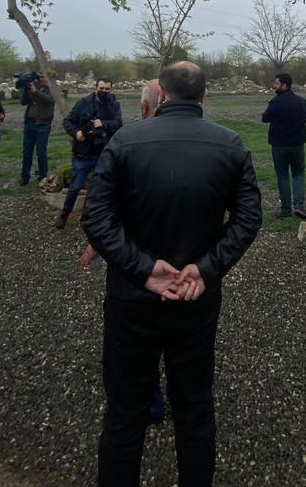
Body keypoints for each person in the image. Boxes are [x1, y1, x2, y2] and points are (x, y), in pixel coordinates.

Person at [83, 61, 262, 487]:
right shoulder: (230, 143)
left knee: (125, 411)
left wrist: (143, 269)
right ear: (204, 96)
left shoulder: (126, 139)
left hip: (133, 298)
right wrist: (204, 268)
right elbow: (248, 220)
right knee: (194, 406)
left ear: (161, 94)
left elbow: (96, 218)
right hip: (193, 297)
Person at [77, 78, 166, 426]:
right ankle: (160, 401)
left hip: (136, 271)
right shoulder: (211, 143)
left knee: (132, 346)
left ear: (145, 106)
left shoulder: (125, 144)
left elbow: (102, 211)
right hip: (186, 271)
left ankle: (144, 403)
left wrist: (101, 243)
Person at [60, 77, 122, 230]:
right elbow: (67, 121)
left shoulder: (114, 104)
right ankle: (64, 215)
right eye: (101, 88)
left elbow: (119, 123)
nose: (104, 91)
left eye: (107, 89)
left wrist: (104, 124)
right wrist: (76, 134)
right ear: (95, 88)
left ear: (111, 89)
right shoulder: (83, 103)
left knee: (104, 187)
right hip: (83, 153)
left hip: (103, 152)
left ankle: (99, 216)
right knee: (75, 187)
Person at [261, 72, 306, 220]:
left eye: (276, 84)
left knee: (282, 176)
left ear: (284, 85)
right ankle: (299, 205)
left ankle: (286, 209)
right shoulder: (301, 101)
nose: (274, 86)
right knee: (298, 174)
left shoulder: (275, 102)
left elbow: (265, 118)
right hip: (297, 143)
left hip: (280, 144)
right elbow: (304, 119)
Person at [20, 72, 57, 185]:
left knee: (41, 152)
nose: (40, 79)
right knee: (27, 152)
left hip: (43, 124)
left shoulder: (52, 89)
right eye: (38, 77)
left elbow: (49, 100)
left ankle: (43, 176)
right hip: (30, 123)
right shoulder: (33, 88)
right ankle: (24, 177)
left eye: (42, 77)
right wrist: (27, 91)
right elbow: (23, 102)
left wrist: (36, 92)